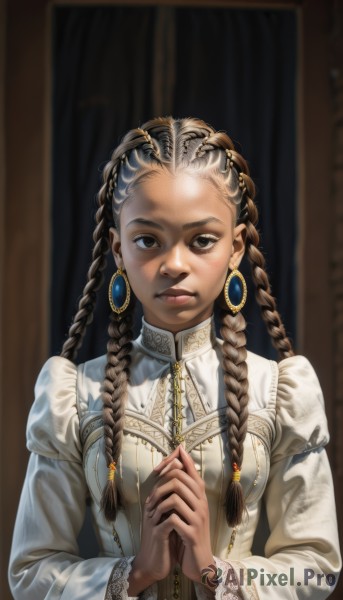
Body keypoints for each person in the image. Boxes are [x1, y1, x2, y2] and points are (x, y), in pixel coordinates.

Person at [8, 117, 341, 599]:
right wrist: (135, 571)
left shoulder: (280, 392)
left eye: (201, 239)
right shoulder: (74, 395)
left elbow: (316, 568)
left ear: (236, 247)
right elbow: (30, 572)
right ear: (118, 249)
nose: (175, 264)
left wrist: (214, 572)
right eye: (148, 240)